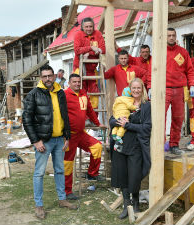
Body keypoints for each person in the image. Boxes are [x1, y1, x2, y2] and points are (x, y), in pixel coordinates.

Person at [22, 65, 77, 220]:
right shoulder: (33, 94)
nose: (47, 79)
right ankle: (38, 205)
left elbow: (65, 115)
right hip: (43, 141)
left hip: (60, 140)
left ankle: (62, 199)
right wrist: (35, 141)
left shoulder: (60, 92)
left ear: (54, 76)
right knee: (39, 173)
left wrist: (67, 136)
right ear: (41, 78)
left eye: (50, 76)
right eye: (44, 76)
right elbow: (26, 119)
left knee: (60, 170)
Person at [109, 78, 151, 219]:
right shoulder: (124, 101)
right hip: (121, 144)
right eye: (133, 88)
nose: (136, 90)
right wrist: (119, 121)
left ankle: (136, 203)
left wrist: (128, 125)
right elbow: (111, 120)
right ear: (130, 89)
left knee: (134, 176)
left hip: (136, 146)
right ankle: (127, 205)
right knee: (122, 174)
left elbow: (146, 127)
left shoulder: (146, 106)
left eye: (139, 88)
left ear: (142, 89)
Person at [64, 73, 105, 200]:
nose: (77, 84)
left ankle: (92, 174)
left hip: (81, 134)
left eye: (78, 82)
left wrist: (98, 123)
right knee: (68, 164)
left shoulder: (83, 93)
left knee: (97, 147)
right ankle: (67, 191)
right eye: (74, 82)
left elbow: (90, 111)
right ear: (69, 83)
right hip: (69, 136)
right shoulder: (64, 95)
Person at [166, 28, 194, 155]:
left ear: (176, 36)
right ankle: (158, 144)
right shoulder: (160, 51)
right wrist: (151, 87)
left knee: (178, 118)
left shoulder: (183, 52)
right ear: (165, 37)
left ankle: (174, 145)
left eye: (173, 35)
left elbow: (190, 70)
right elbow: (152, 70)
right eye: (169, 35)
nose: (171, 37)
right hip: (164, 89)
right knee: (159, 118)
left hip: (180, 89)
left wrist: (192, 85)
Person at [73, 17, 105, 111]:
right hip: (79, 68)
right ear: (82, 27)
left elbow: (103, 49)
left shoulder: (98, 34)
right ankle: (82, 117)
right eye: (86, 27)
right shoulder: (78, 34)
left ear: (93, 26)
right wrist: (91, 48)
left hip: (92, 69)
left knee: (94, 94)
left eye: (90, 26)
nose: (89, 29)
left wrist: (88, 52)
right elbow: (77, 50)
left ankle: (93, 119)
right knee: (80, 92)